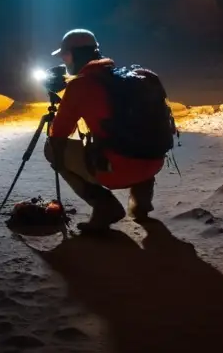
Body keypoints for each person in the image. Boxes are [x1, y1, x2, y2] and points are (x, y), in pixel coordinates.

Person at [44, 28, 165, 232]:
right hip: (154, 163)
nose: (64, 61)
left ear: (75, 55)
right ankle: (141, 206)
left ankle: (105, 207)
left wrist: (63, 103)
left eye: (65, 55)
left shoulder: (80, 86)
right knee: (139, 137)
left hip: (117, 172)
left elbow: (59, 135)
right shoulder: (142, 77)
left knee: (51, 149)